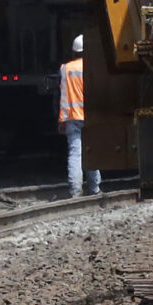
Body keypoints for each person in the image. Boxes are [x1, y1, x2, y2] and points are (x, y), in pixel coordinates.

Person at [59, 32, 99, 198]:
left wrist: (62, 119)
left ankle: (76, 190)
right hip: (90, 117)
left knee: (75, 154)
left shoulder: (65, 69)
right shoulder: (95, 67)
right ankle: (95, 189)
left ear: (74, 51)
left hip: (72, 117)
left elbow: (63, 96)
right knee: (92, 152)